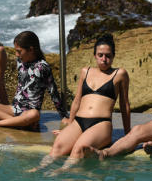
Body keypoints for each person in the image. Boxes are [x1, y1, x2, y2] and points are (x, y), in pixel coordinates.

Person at [33, 34, 130, 173]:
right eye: (100, 55)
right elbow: (77, 100)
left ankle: (60, 173)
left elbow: (124, 105)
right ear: (95, 55)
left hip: (101, 124)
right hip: (78, 122)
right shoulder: (86, 71)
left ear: (113, 56)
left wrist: (128, 135)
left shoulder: (120, 74)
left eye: (108, 55)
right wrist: (69, 126)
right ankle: (39, 169)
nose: (104, 59)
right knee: (58, 146)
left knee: (79, 149)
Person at [0, 31, 68, 129]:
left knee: (34, 114)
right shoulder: (20, 62)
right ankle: (19, 123)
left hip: (28, 113)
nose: (16, 54)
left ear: (31, 50)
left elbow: (53, 91)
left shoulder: (42, 67)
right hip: (13, 109)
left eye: (19, 51)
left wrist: (64, 116)